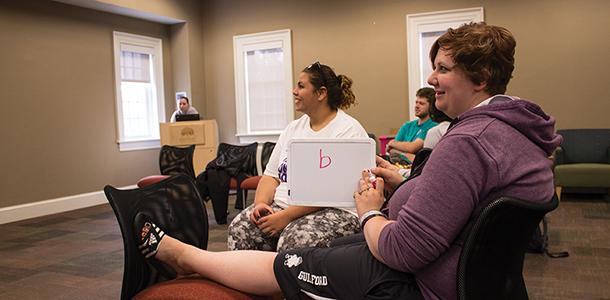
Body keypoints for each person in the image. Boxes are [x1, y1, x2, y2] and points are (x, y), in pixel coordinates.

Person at [134, 22, 561, 299]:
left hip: (418, 280)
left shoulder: (470, 141)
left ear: (481, 79)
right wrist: (400, 183)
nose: (431, 80)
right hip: (465, 274)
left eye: (443, 69)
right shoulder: (515, 132)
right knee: (325, 246)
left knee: (296, 257)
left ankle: (186, 257)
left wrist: (369, 210)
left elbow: (405, 249)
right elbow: (455, 197)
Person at [227, 62, 369, 252]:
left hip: (334, 210)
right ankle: (251, 281)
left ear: (321, 93)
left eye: (301, 86)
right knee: (240, 229)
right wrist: (260, 203)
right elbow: (271, 176)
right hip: (284, 207)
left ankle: (277, 281)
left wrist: (286, 217)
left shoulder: (347, 130)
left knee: (294, 240)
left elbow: (332, 193)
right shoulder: (293, 129)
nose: (294, 91)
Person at [386, 87, 438, 161]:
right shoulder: (407, 126)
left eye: (421, 103)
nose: (417, 106)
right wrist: (408, 155)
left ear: (431, 106)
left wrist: (393, 144)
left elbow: (412, 148)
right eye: (416, 102)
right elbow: (391, 150)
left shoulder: (433, 126)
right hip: (398, 166)